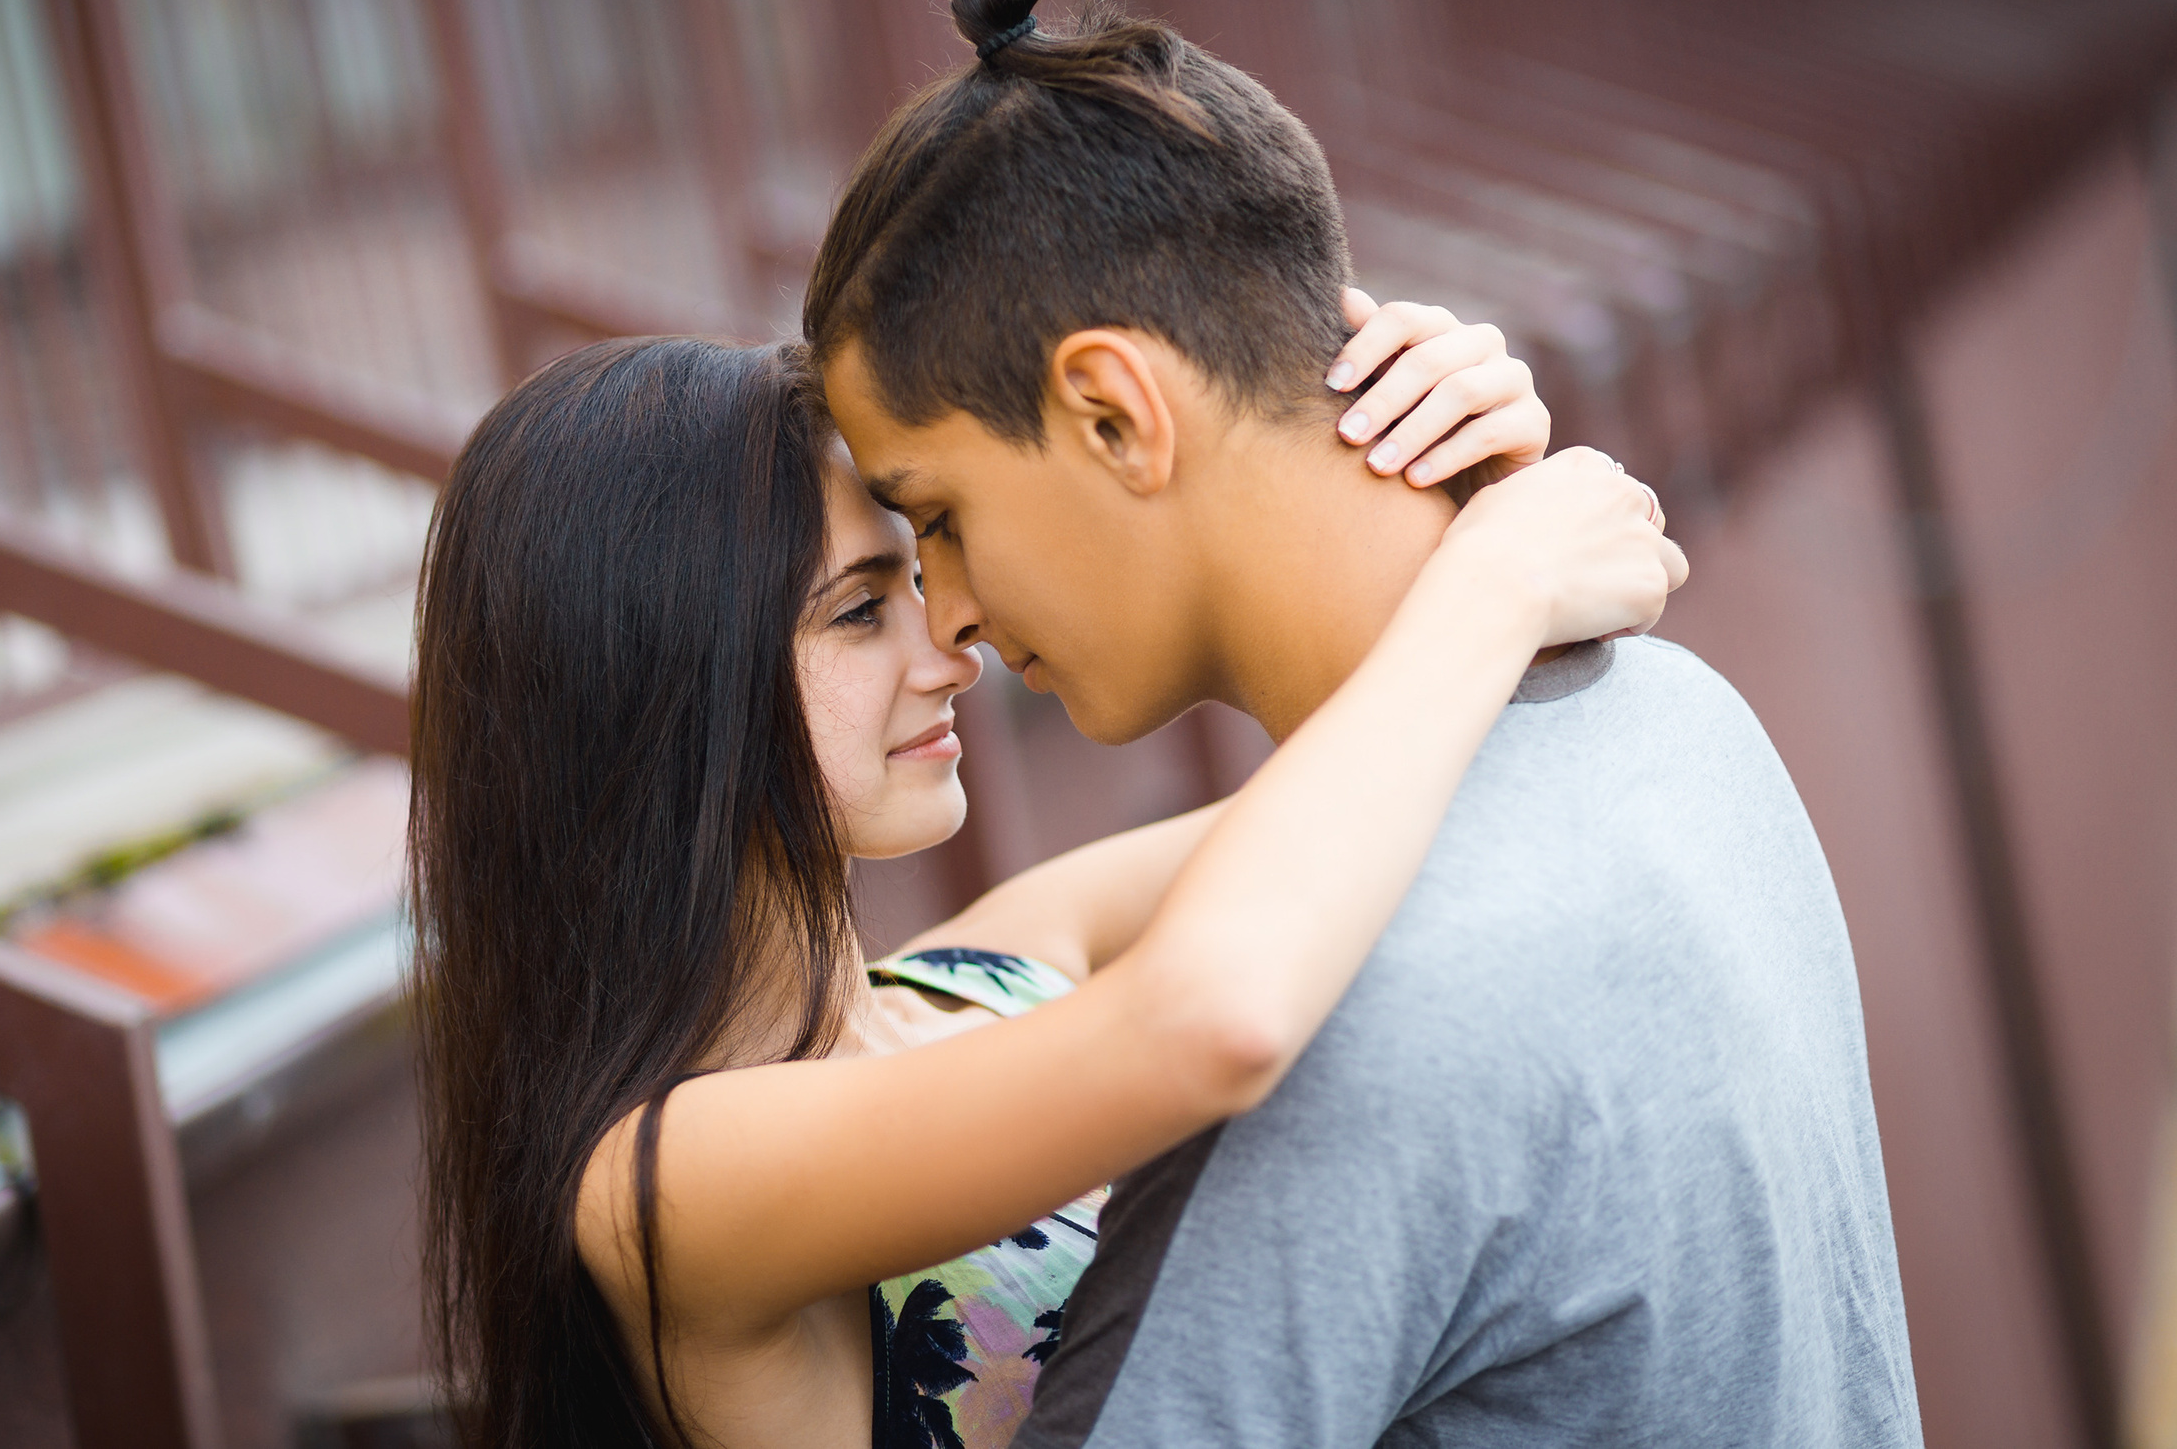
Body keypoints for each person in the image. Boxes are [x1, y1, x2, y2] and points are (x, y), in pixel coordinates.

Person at [805, 0, 1920, 1447]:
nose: (948, 612)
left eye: (936, 514)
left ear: (1114, 412)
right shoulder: (1687, 715)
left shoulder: (1302, 1023)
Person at [408, 321, 1676, 1443]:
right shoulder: (665, 1188)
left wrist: (1433, 475)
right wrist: (1496, 579)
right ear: (665, 689)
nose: (950, 646)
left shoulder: (993, 964)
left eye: (918, 574)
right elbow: (1211, 1015)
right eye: (858, 613)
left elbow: (1402, 782)